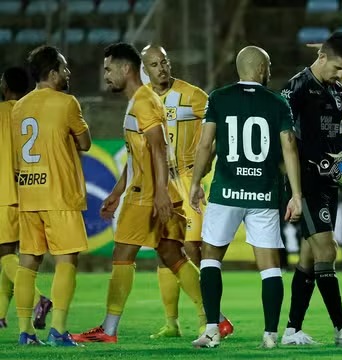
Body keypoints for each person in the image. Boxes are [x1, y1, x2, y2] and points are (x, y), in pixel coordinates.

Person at [72, 43, 205, 343]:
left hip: (147, 194)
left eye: (108, 69)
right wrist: (117, 191)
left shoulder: (142, 101)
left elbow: (158, 147)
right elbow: (138, 155)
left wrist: (158, 193)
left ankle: (108, 330)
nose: (105, 75)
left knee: (122, 255)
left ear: (125, 69)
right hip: (152, 189)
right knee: (173, 254)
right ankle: (214, 318)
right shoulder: (142, 99)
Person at [189, 46, 302, 349]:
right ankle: (270, 335)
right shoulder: (277, 102)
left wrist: (196, 181)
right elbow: (289, 145)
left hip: (226, 191)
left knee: (211, 259)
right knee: (270, 266)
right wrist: (297, 195)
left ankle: (212, 329)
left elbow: (205, 145)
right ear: (263, 68)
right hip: (264, 193)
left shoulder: (219, 97)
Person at [280, 32, 342, 347]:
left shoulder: (337, 90)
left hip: (329, 182)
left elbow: (338, 139)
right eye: (337, 67)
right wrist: (294, 190)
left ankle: (292, 331)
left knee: (309, 258)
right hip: (306, 181)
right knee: (327, 250)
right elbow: (286, 141)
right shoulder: (296, 89)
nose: (340, 74)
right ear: (321, 57)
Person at [140, 44, 234, 340]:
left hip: (188, 179)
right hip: (161, 184)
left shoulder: (193, 95)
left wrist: (204, 168)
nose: (162, 68)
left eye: (165, 61)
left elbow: (220, 130)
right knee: (164, 250)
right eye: (155, 64)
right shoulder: (142, 100)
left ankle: (210, 319)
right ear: (146, 69)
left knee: (193, 247)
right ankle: (172, 323)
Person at [12, 46, 92, 346]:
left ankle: (25, 332)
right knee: (66, 262)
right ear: (52, 72)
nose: (68, 73)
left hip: (29, 193)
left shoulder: (19, 107)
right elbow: (84, 142)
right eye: (64, 67)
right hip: (59, 194)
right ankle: (58, 330)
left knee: (27, 262)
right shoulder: (66, 103)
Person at [0, 67, 53, 332]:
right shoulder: (29, 111)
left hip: (4, 193)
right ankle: (0, 313)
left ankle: (37, 300)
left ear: (6, 85)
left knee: (5, 253)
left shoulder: (1, 112)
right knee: (12, 253)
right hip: (30, 191)